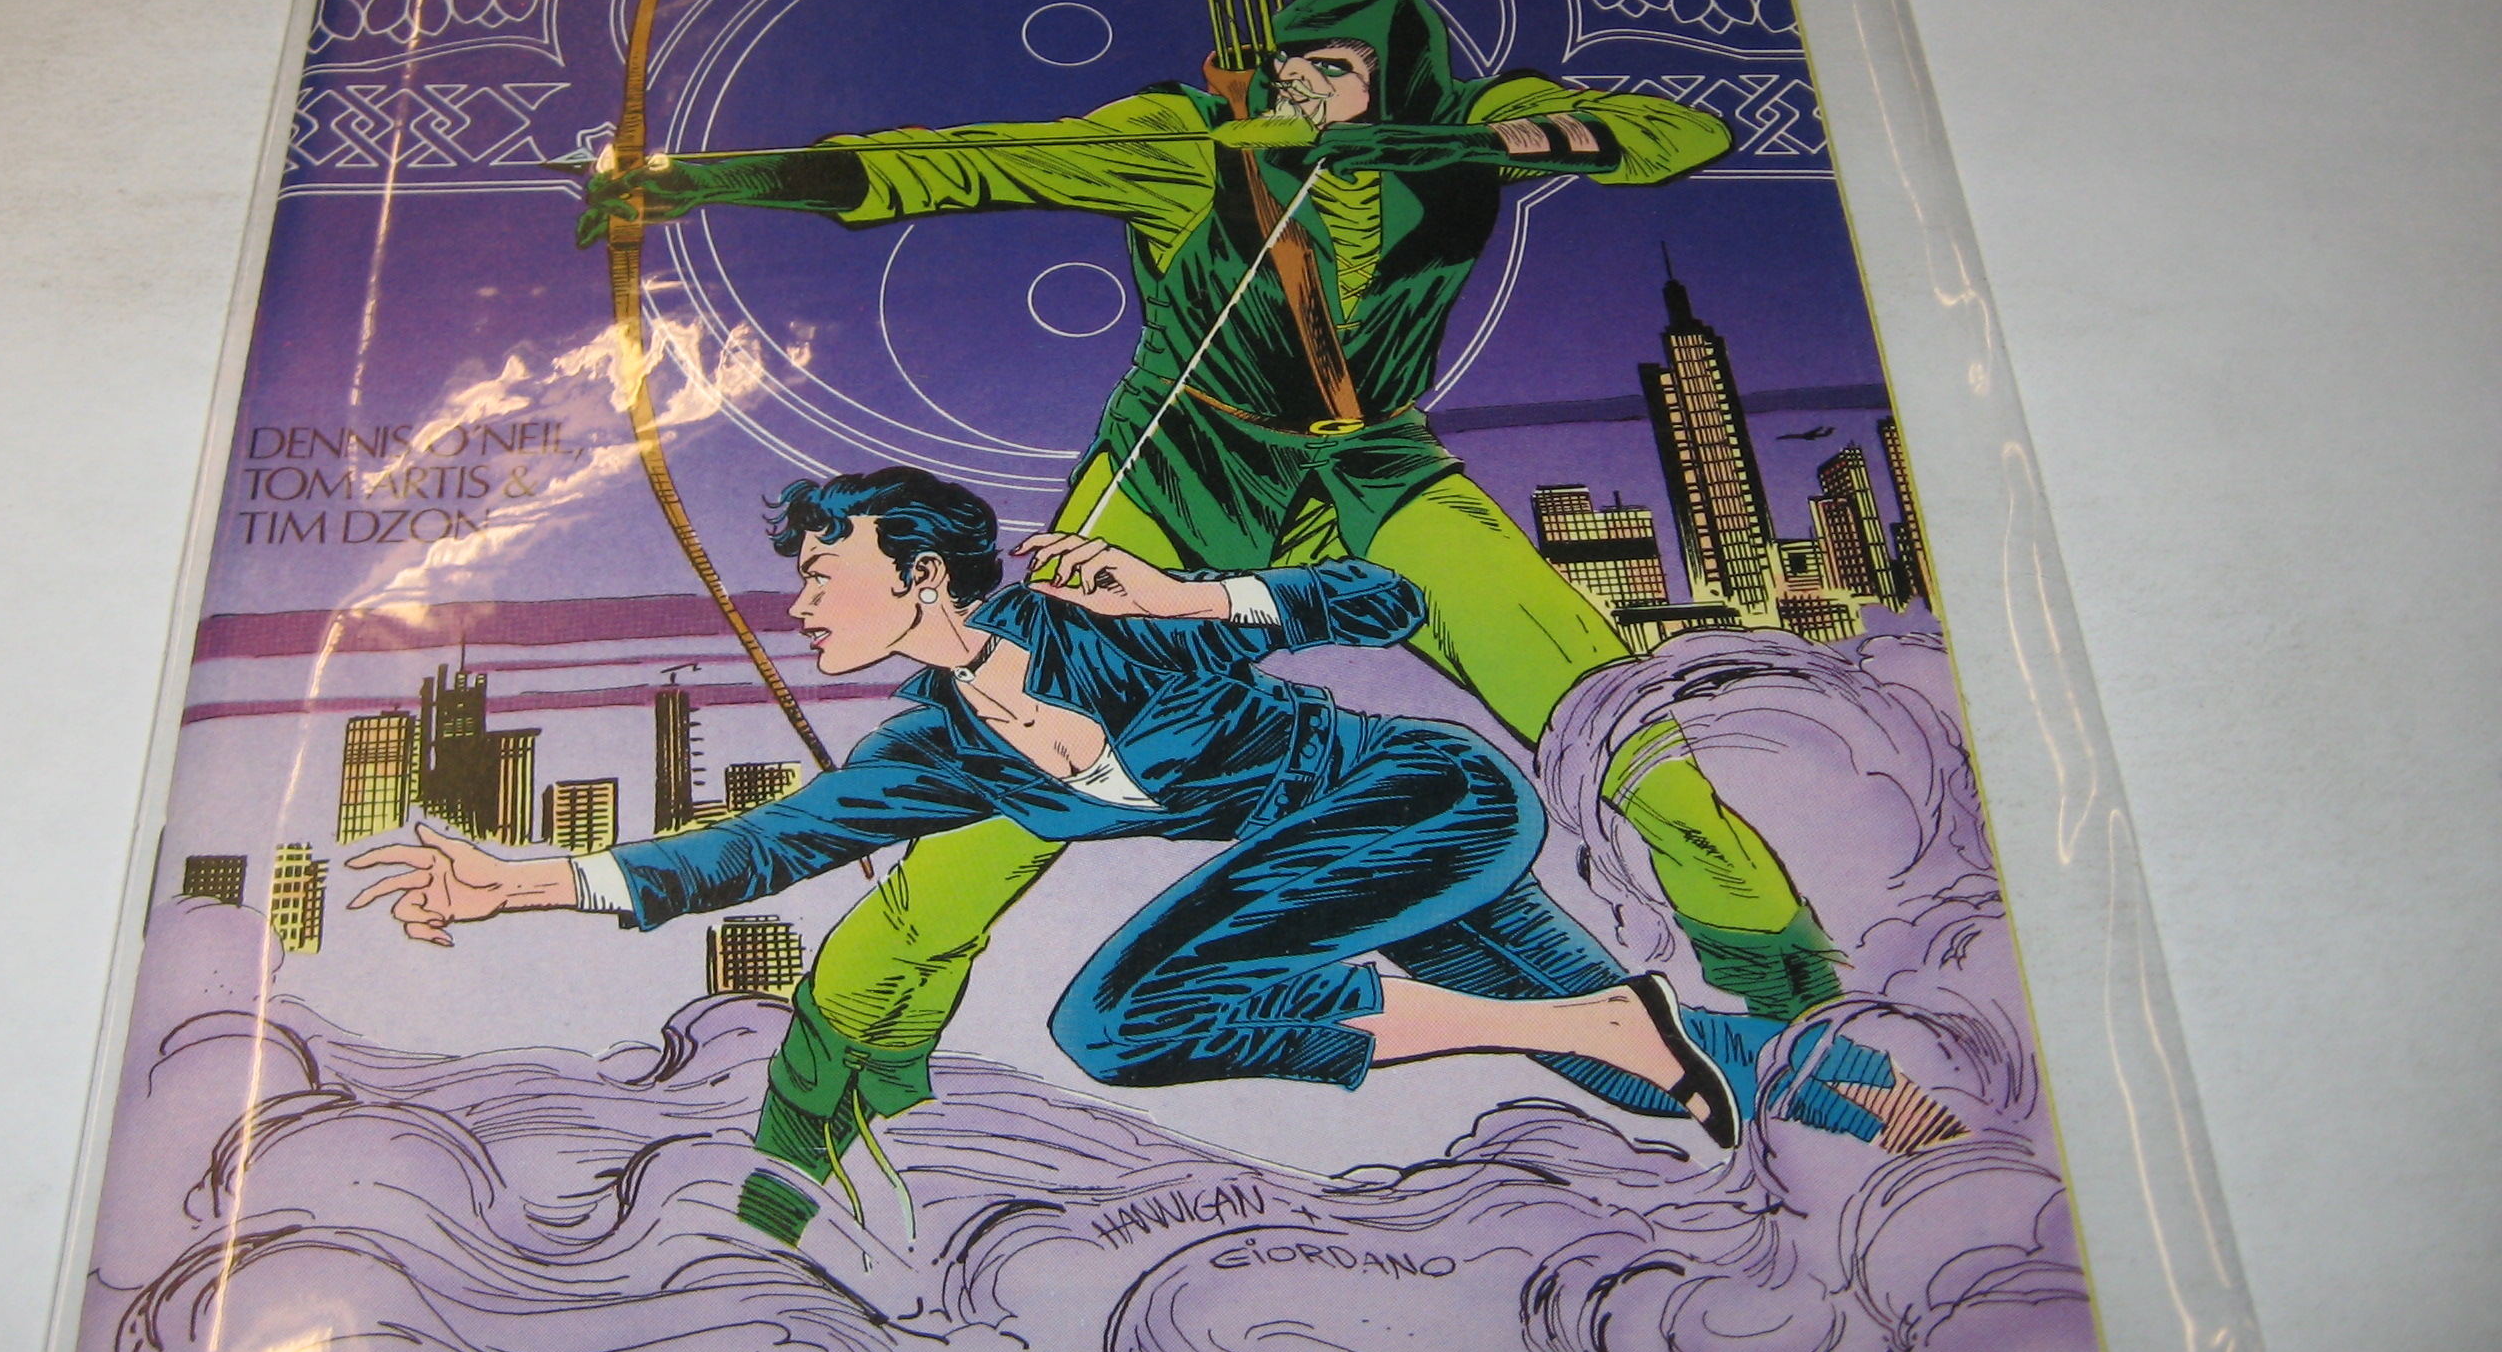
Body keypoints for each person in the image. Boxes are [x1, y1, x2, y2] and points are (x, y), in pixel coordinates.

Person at [576, 0, 1861, 1194]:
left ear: (1398, 74)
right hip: (1179, 475)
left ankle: (1801, 999)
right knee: (992, 805)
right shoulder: (1192, 140)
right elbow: (959, 163)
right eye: (1290, 66)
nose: (1303, 88)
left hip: (1374, 472)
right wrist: (697, 181)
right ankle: (833, 1094)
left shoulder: (1464, 125)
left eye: (1334, 69)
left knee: (1621, 734)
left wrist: (1476, 145)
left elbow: (1677, 133)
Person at [350, 468, 1948, 1248]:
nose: (804, 602)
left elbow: (1389, 603)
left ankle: (1585, 1020)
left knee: (1118, 1018)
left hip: (1419, 803)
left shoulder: (1100, 623)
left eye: (826, 572)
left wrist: (1187, 598)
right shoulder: (934, 750)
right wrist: (520, 883)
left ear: (925, 576)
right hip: (1344, 869)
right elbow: (753, 848)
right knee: (1655, 1076)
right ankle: (1908, 1116)